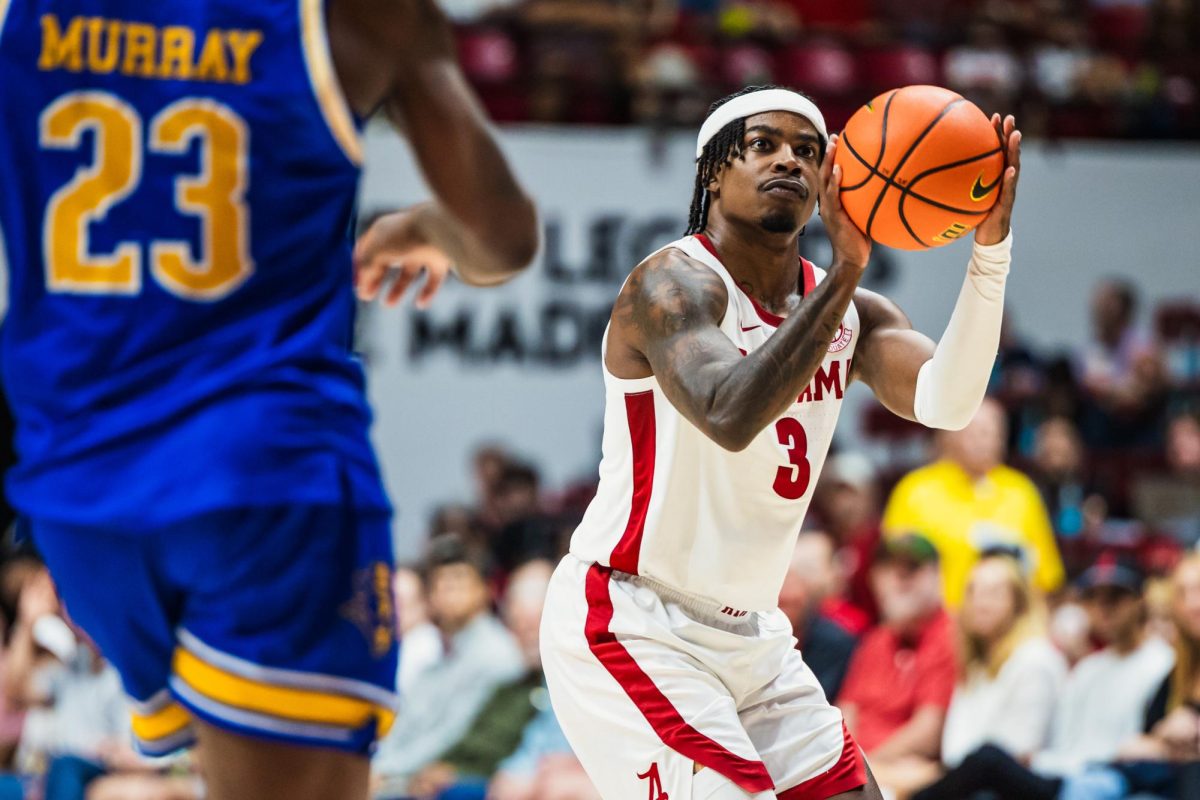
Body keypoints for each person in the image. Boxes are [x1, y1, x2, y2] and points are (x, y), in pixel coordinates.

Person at [0, 3, 538, 799]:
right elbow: (502, 237)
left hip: (83, 498)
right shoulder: (363, 14)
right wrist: (431, 226)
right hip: (268, 483)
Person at [541, 82, 1021, 800]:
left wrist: (990, 251)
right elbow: (730, 414)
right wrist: (849, 270)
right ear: (712, 172)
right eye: (763, 145)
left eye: (807, 150)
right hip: (633, 620)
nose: (789, 163)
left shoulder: (853, 313)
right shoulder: (670, 285)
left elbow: (949, 404)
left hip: (752, 636)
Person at [912, 552, 1175, 800]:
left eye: (1115, 596)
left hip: (1110, 778)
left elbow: (1155, 745)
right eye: (1093, 597)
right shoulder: (1089, 668)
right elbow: (1061, 744)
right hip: (1061, 773)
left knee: (988, 759)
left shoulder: (1162, 662)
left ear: (1140, 600)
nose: (1103, 607)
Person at [372, 536, 525, 798]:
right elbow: (406, 726)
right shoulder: (440, 657)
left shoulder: (497, 654)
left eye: (459, 581)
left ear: (484, 590)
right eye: (440, 583)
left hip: (458, 779)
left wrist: (385, 773)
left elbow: (453, 734)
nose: (448, 591)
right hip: (405, 775)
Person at [882, 398, 1066, 608]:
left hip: (1010, 623)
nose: (986, 440)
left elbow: (1047, 578)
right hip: (940, 623)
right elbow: (892, 570)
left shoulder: (1021, 491)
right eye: (977, 431)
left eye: (995, 432)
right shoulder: (915, 490)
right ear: (948, 433)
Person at [837, 535, 956, 793]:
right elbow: (846, 713)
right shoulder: (875, 640)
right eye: (889, 568)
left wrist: (862, 768)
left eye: (912, 568)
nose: (899, 578)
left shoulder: (949, 637)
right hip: (864, 770)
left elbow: (928, 734)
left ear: (936, 576)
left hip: (898, 777)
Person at [940, 553, 1067, 769]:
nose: (979, 603)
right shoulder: (977, 665)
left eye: (993, 593)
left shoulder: (1035, 660)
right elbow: (953, 751)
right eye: (972, 592)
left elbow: (1016, 754)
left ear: (1019, 603)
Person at [778, 531, 858, 701]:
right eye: (780, 604)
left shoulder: (836, 639)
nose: (784, 612)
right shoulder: (759, 632)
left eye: (791, 603)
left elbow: (819, 699)